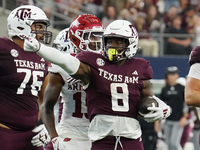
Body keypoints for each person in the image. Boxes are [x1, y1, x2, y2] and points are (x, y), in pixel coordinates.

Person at [22, 19, 172, 150]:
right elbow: (63, 62)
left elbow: (144, 97)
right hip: (89, 135)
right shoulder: (92, 64)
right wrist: (52, 134)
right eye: (109, 41)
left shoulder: (139, 67)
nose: (113, 46)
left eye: (118, 42)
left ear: (131, 42)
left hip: (126, 135)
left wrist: (158, 105)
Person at [42, 14, 104, 150]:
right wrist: (54, 137)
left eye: (99, 36)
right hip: (71, 135)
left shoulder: (107, 64)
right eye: (92, 36)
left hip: (100, 136)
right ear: (76, 37)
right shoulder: (63, 66)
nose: (97, 41)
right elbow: (47, 106)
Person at [0, 5, 52, 150]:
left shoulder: (42, 57)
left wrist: (47, 127)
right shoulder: (3, 48)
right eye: (39, 26)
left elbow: (45, 101)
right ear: (22, 26)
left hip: (31, 136)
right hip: (4, 133)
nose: (42, 32)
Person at [159, 66, 189, 150]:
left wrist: (184, 117)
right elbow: (161, 104)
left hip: (178, 119)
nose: (172, 76)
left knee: (174, 143)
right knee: (168, 144)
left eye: (174, 74)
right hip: (168, 119)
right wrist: (158, 121)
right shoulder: (165, 89)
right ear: (167, 76)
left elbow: (186, 103)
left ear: (177, 75)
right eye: (170, 74)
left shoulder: (182, 88)